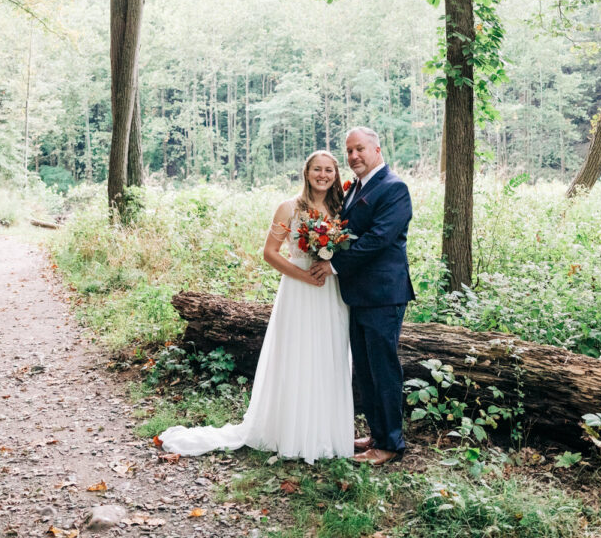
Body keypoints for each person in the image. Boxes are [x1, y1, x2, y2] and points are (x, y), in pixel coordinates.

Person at [157, 150, 353, 463]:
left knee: (328, 355)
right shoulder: (288, 208)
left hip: (331, 291)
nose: (323, 175)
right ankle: (291, 431)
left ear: (335, 174)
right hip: (299, 291)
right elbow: (270, 252)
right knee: (298, 356)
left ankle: (324, 434)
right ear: (307, 172)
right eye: (317, 169)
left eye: (329, 170)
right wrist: (303, 274)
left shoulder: (342, 208)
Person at [311, 126, 413, 466]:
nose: (354, 156)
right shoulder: (355, 187)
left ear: (377, 150)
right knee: (365, 370)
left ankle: (391, 445)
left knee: (383, 370)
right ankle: (376, 433)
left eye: (360, 149)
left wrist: (333, 265)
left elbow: (377, 239)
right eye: (349, 151)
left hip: (384, 294)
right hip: (358, 294)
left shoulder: (394, 188)